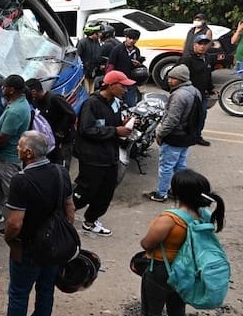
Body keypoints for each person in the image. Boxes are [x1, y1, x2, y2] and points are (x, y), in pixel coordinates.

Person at [112, 169, 225, 316]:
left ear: (178, 192)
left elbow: (147, 244)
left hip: (161, 271)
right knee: (177, 311)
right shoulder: (204, 216)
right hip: (186, 272)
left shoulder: (171, 219)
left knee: (151, 314)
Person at [0, 131, 74, 316]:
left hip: (28, 248)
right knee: (46, 291)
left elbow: (15, 223)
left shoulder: (21, 180)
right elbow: (69, 209)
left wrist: (8, 238)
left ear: (29, 153)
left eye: (20, 146)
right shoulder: (60, 171)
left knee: (19, 292)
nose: (17, 148)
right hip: (53, 247)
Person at [73, 70, 134, 236]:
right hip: (93, 158)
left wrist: (122, 125)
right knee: (85, 192)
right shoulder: (91, 104)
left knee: (105, 193)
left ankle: (90, 221)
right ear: (111, 85)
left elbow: (111, 124)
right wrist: (115, 130)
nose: (125, 90)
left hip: (110, 156)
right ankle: (63, 216)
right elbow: (86, 129)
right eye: (123, 86)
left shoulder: (115, 102)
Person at [147, 65, 202, 202]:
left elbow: (172, 119)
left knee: (166, 166)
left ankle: (161, 193)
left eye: (173, 78)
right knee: (180, 166)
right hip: (187, 136)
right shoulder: (195, 91)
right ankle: (178, 191)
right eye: (169, 77)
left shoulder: (178, 95)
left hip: (175, 137)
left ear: (181, 79)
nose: (170, 80)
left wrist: (160, 133)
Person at [0, 75, 31, 224]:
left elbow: (5, 137)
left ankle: (18, 223)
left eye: (4, 86)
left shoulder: (16, 110)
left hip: (8, 157)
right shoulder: (17, 103)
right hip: (5, 155)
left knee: (12, 193)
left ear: (11, 90)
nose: (2, 88)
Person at [27, 78, 76, 168]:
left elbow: (71, 115)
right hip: (50, 142)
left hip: (63, 141)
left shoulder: (54, 99)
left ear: (33, 92)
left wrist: (60, 133)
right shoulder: (35, 102)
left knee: (62, 167)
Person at [178, 35, 214, 146]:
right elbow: (176, 75)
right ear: (194, 45)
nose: (202, 46)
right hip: (189, 94)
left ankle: (197, 136)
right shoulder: (186, 59)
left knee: (201, 115)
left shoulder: (207, 58)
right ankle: (183, 136)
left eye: (205, 44)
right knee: (187, 116)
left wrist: (210, 88)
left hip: (202, 94)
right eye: (200, 44)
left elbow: (208, 75)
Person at [107, 28, 144, 107]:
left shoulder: (137, 51)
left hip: (130, 81)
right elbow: (110, 65)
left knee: (131, 105)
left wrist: (138, 64)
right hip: (118, 82)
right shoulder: (117, 49)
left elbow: (137, 67)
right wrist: (108, 80)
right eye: (129, 38)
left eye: (134, 39)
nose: (131, 41)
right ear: (126, 37)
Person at [77, 23, 103, 94]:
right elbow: (78, 57)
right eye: (98, 33)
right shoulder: (82, 42)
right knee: (86, 92)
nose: (100, 35)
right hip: (85, 72)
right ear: (93, 33)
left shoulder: (96, 42)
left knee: (91, 92)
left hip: (93, 71)